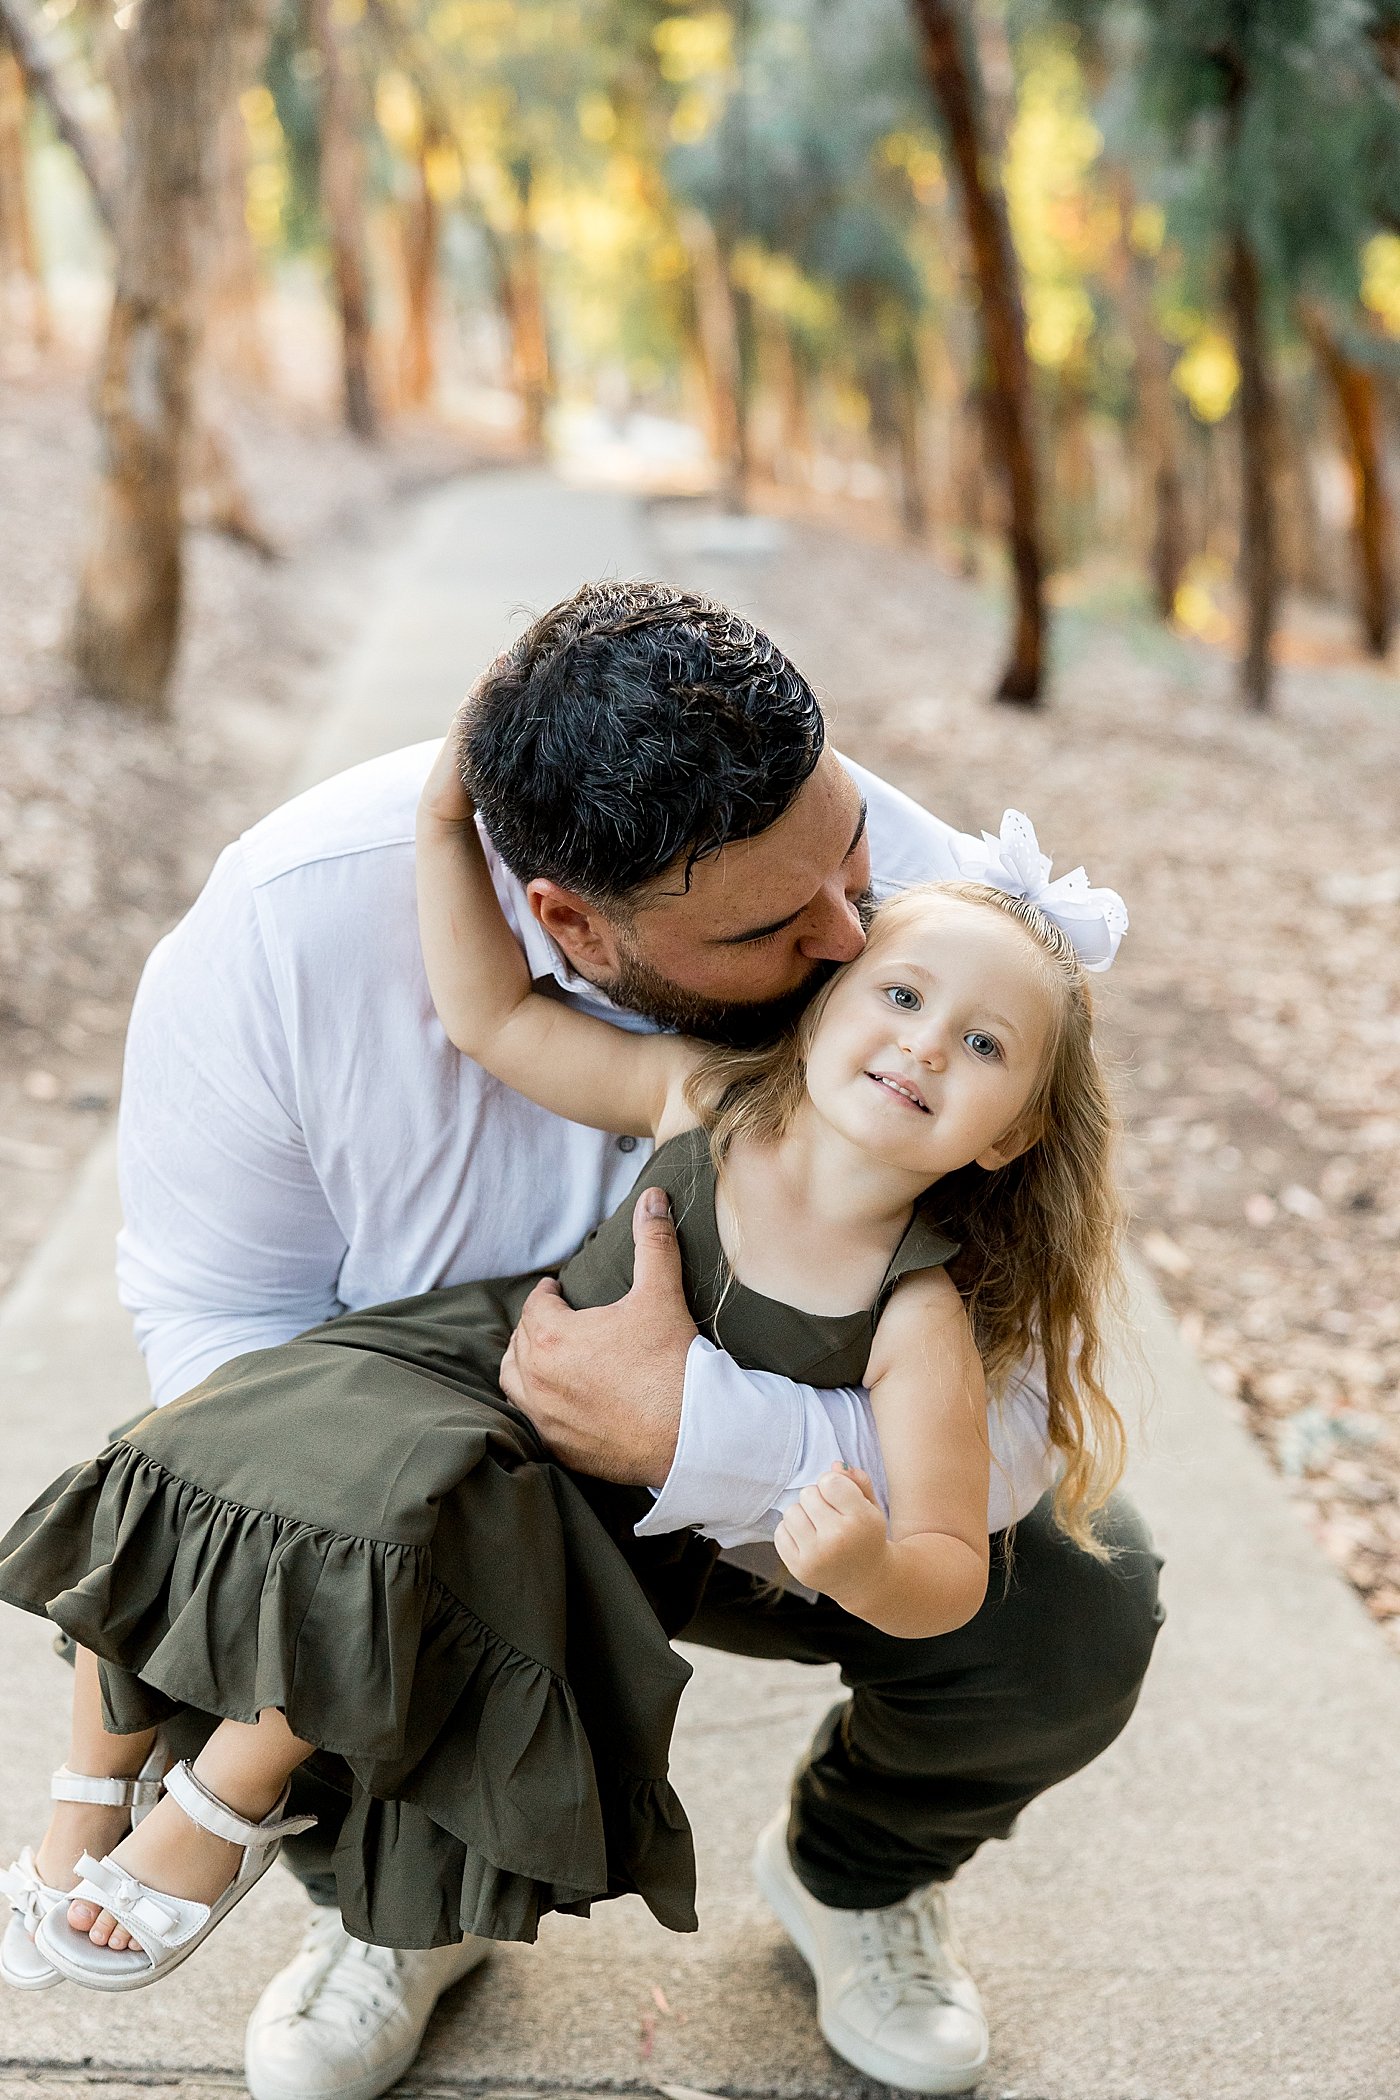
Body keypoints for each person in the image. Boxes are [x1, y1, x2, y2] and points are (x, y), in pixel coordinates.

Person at [0, 585, 1163, 2099]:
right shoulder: (295, 933)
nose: (848, 932)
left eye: (849, 861)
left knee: (1080, 1599)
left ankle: (856, 1874)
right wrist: (319, 1534)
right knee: (265, 1486)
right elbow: (230, 1318)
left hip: (776, 1515)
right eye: (774, 929)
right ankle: (361, 1896)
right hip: (458, 1424)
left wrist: (697, 1431)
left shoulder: (942, 936)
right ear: (564, 916)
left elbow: (1001, 1449)